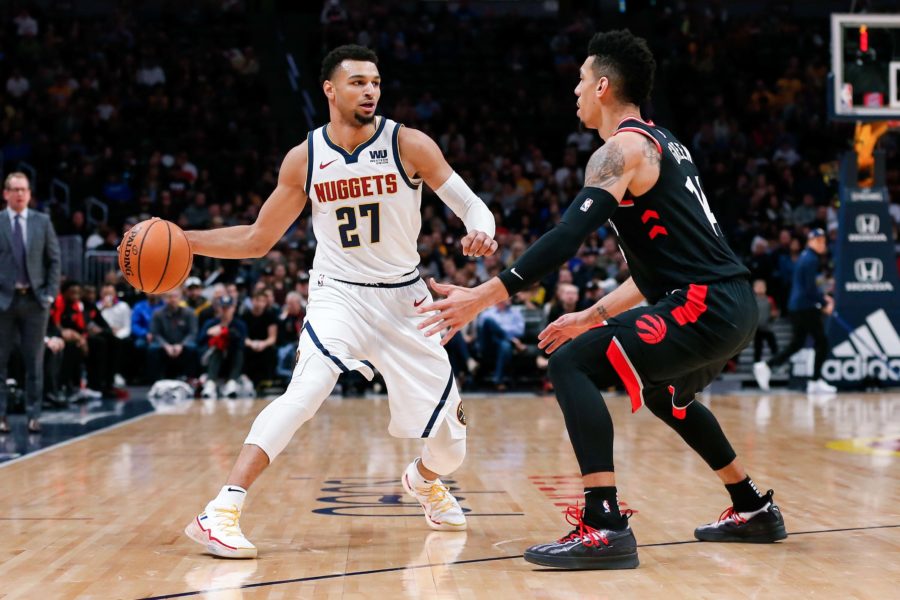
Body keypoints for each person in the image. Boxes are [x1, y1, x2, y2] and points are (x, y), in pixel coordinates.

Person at [418, 30, 786, 570]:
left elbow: (568, 237)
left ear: (604, 86)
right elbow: (653, 270)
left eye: (582, 79)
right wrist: (589, 315)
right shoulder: (664, 143)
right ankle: (752, 506)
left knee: (571, 364)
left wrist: (485, 295)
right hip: (728, 302)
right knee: (665, 396)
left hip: (704, 302)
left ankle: (604, 523)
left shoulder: (621, 150)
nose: (576, 89)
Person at [182, 45, 496, 558]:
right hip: (339, 294)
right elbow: (258, 239)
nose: (369, 90)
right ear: (330, 89)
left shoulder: (409, 143)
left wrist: (481, 230)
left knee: (450, 446)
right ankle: (221, 509)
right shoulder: (305, 158)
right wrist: (186, 239)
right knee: (305, 390)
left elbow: (469, 204)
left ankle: (422, 480)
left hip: (405, 299)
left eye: (374, 82)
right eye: (357, 82)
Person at [0, 172, 61, 433]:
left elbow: (54, 260)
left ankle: (33, 415)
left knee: (34, 361)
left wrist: (49, 293)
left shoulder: (42, 221)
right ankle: (0, 416)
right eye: (14, 189)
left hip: (35, 301)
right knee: (0, 361)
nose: (20, 194)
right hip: (4, 300)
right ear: (5, 194)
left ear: (29, 193)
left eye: (23, 189)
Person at [753, 229, 836, 394]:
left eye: (823, 241)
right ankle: (815, 381)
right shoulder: (811, 259)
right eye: (818, 241)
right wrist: (823, 302)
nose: (822, 244)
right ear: (810, 241)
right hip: (805, 307)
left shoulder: (804, 256)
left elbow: (805, 286)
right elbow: (808, 288)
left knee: (798, 343)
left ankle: (766, 366)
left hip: (797, 306)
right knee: (822, 342)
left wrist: (821, 299)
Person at [198, 295, 247, 399]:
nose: (225, 311)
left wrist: (226, 332)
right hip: (212, 361)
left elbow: (242, 343)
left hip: (232, 361)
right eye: (223, 307)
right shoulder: (210, 323)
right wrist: (208, 333)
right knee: (217, 348)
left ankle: (232, 382)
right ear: (218, 308)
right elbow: (199, 342)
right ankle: (210, 383)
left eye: (228, 308)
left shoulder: (240, 324)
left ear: (233, 308)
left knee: (239, 351)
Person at [147, 289, 199, 382]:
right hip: (165, 344)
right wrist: (166, 346)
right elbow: (155, 333)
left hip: (182, 343)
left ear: (181, 298)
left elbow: (192, 333)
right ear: (165, 299)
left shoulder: (189, 313)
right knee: (152, 348)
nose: (173, 299)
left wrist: (181, 345)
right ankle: (156, 380)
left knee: (192, 347)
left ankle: (190, 378)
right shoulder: (157, 314)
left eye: (175, 296)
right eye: (170, 297)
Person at [751, 279, 779, 364]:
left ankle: (777, 363)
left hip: (767, 327)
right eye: (758, 286)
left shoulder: (769, 300)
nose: (760, 288)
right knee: (758, 348)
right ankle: (756, 364)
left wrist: (774, 315)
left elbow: (774, 311)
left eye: (762, 286)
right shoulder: (752, 300)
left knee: (774, 347)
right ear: (754, 288)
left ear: (765, 288)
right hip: (757, 329)